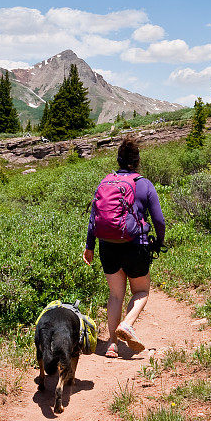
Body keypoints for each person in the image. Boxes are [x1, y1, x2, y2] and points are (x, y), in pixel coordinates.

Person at [83, 138, 166, 358]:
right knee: (141, 290)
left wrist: (89, 246)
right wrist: (159, 240)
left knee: (115, 295)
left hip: (107, 246)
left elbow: (94, 217)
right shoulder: (144, 184)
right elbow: (159, 220)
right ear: (137, 161)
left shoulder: (105, 182)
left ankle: (112, 344)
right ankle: (127, 325)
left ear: (118, 160)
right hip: (135, 245)